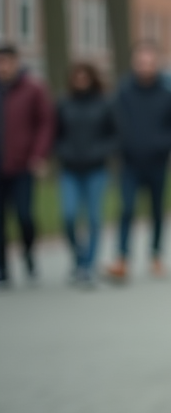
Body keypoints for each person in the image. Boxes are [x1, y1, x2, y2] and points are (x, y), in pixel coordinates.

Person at [108, 41, 171, 281]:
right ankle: (122, 257)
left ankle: (156, 255)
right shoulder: (123, 92)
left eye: (150, 62)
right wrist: (123, 145)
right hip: (130, 162)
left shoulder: (168, 93)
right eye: (141, 62)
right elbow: (114, 124)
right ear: (134, 63)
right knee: (127, 208)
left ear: (157, 63)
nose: (145, 67)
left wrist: (163, 144)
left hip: (158, 162)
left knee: (157, 210)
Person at [54, 62, 117, 286]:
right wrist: (62, 151)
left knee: (93, 218)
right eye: (76, 77)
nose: (80, 81)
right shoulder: (63, 104)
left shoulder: (104, 103)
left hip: (96, 169)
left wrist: (101, 151)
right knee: (69, 216)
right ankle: (79, 257)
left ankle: (87, 266)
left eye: (84, 77)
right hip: (69, 169)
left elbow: (115, 134)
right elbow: (55, 133)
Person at [0, 43, 54, 286]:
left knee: (24, 215)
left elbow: (45, 123)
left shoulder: (32, 89)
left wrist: (38, 155)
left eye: (7, 61)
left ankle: (28, 252)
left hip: (22, 165)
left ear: (15, 62)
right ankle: (3, 268)